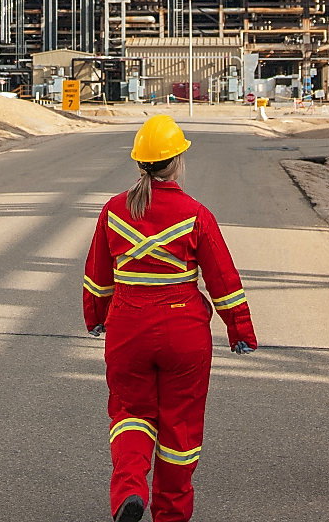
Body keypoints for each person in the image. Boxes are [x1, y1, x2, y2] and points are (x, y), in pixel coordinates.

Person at [82, 115, 258, 522]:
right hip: (184, 332)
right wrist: (240, 331)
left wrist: (96, 318)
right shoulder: (196, 213)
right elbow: (224, 281)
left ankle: (130, 488)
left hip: (128, 328)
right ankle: (171, 515)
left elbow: (97, 276)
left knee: (130, 412)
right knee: (180, 426)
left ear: (139, 163)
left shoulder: (112, 211)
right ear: (177, 160)